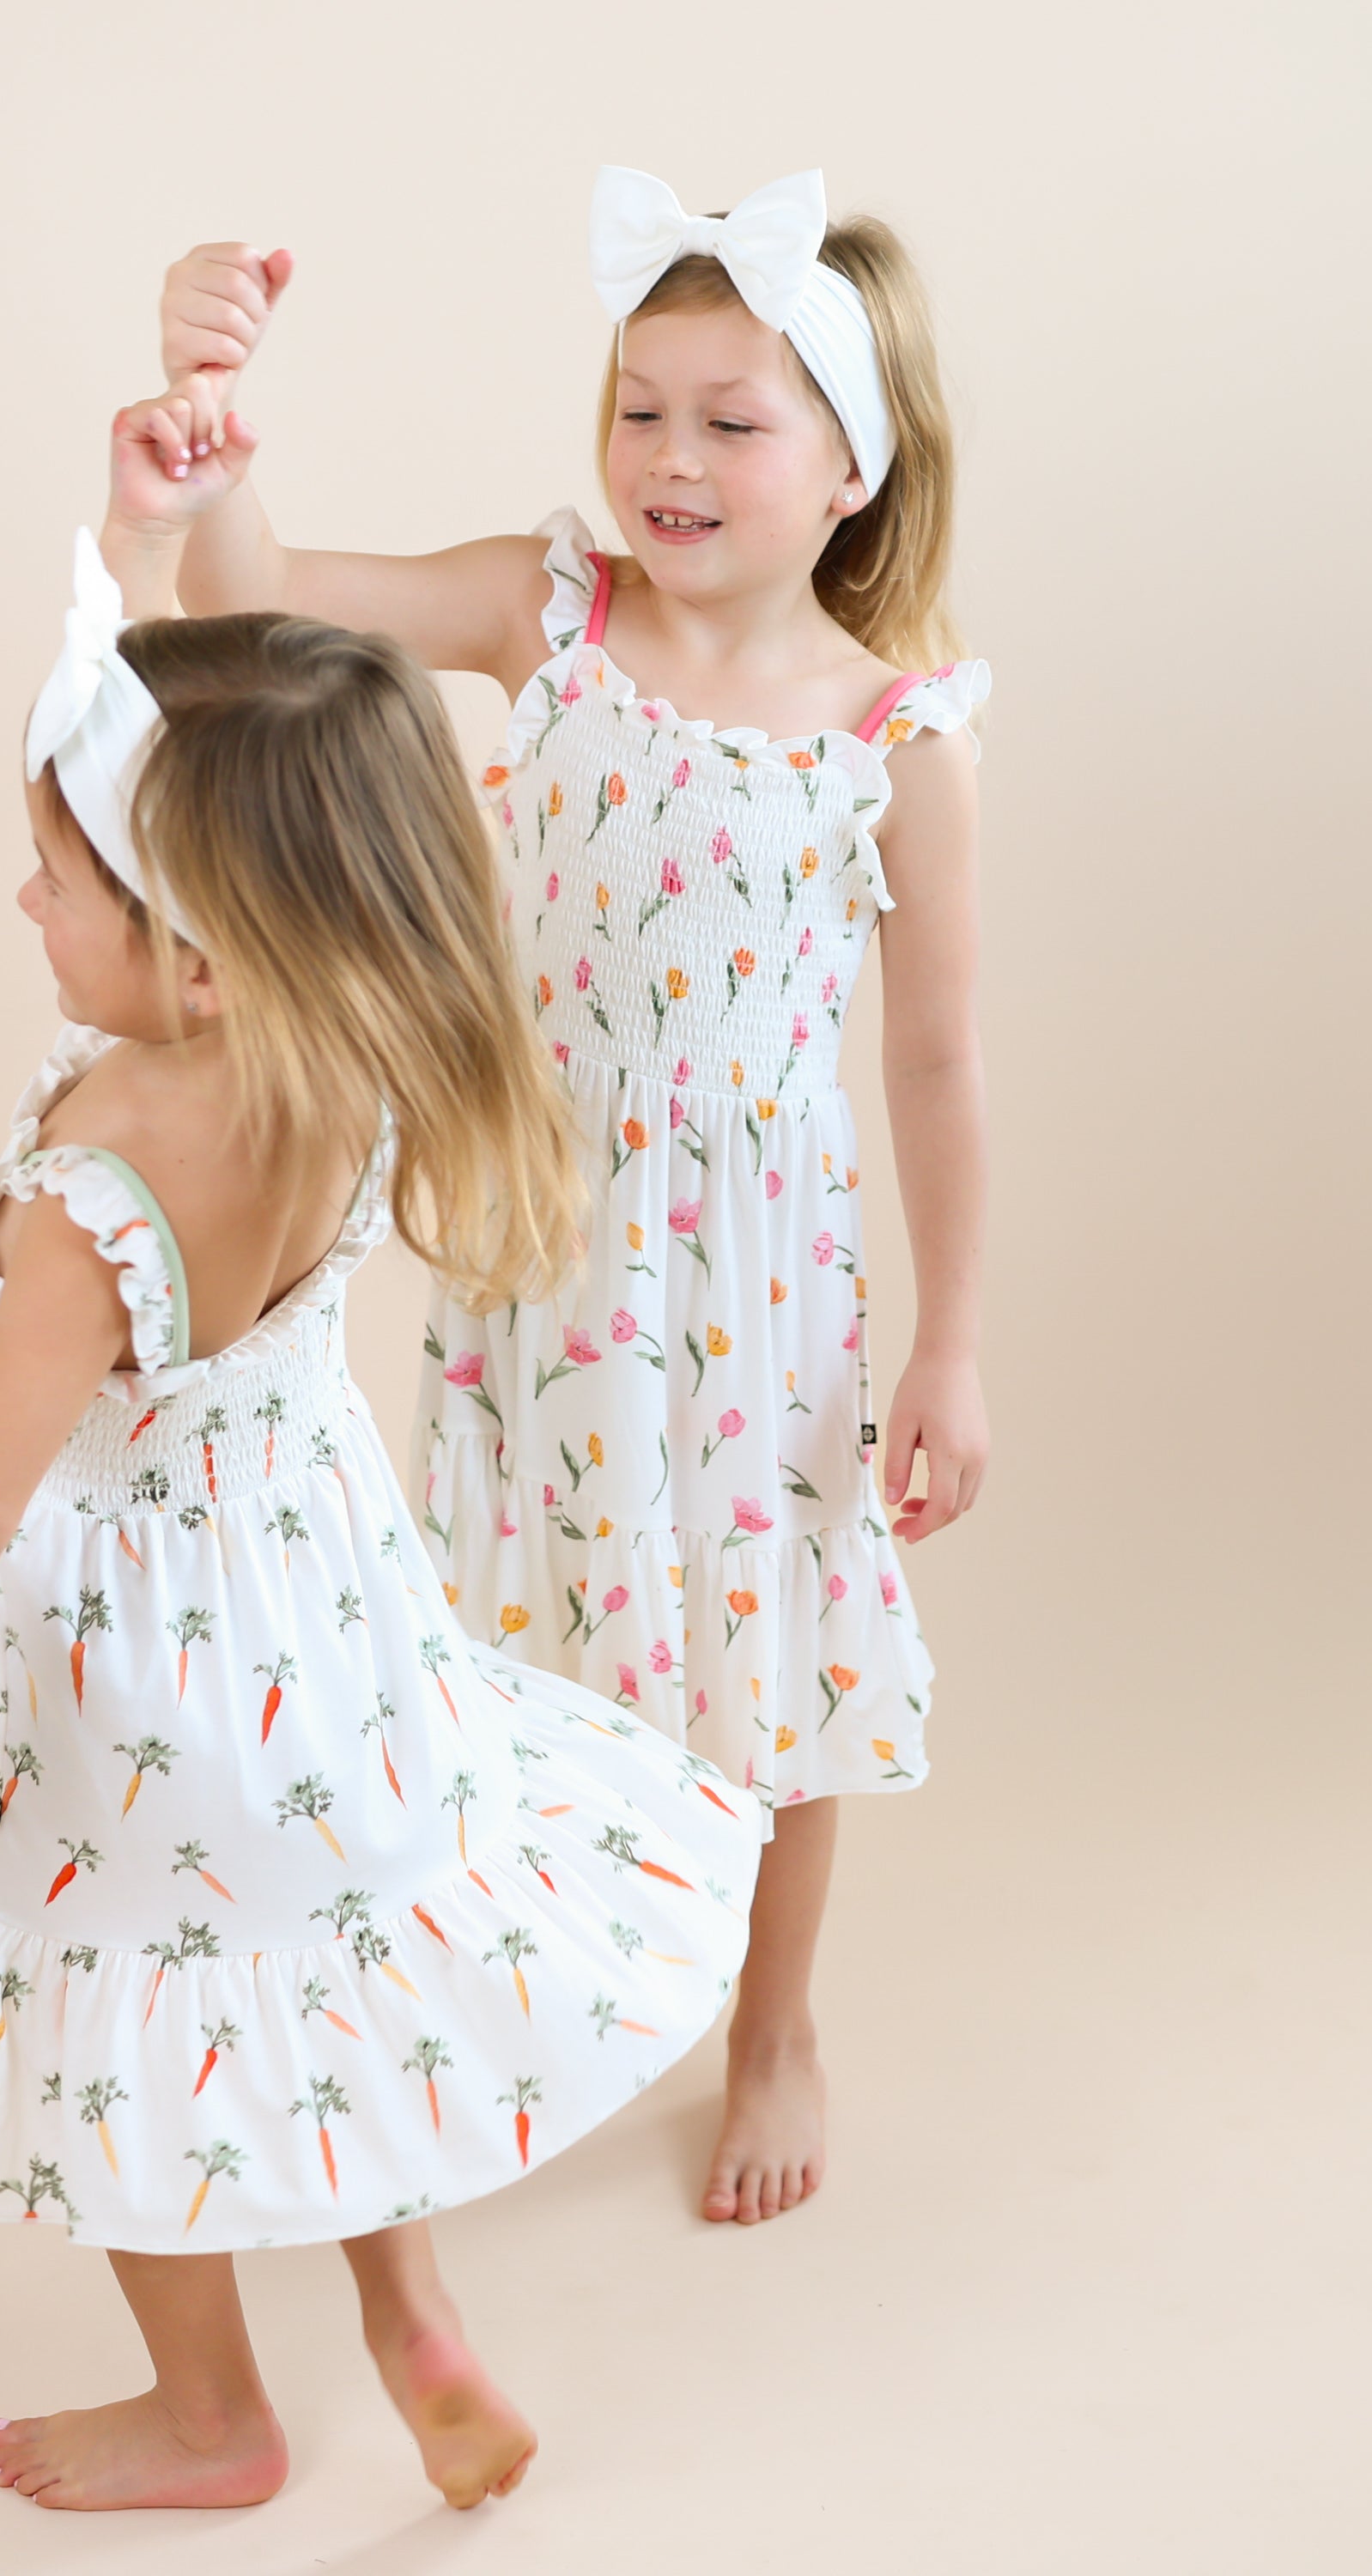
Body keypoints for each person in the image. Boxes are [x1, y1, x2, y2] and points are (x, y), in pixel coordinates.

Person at [0, 407, 759, 2514]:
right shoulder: (335, 1042)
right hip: (328, 1628)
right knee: (330, 1975)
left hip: (145, 1684)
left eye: (59, 877)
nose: (23, 893)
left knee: (139, 2019)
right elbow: (256, 743)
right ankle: (415, 2321)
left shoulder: (105, 1179)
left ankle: (211, 2417)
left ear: (195, 937)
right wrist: (139, 536)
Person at [137, 164, 991, 2228]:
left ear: (854, 471)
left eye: (730, 418)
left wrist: (954, 1341)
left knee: (757, 1645)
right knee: (523, 1631)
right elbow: (248, 609)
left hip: (770, 1284)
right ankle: (528, 1994)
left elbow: (939, 1061)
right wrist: (214, 424)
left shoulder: (896, 736)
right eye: (638, 408)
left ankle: (770, 2013)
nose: (668, 459)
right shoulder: (556, 616)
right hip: (550, 1251)